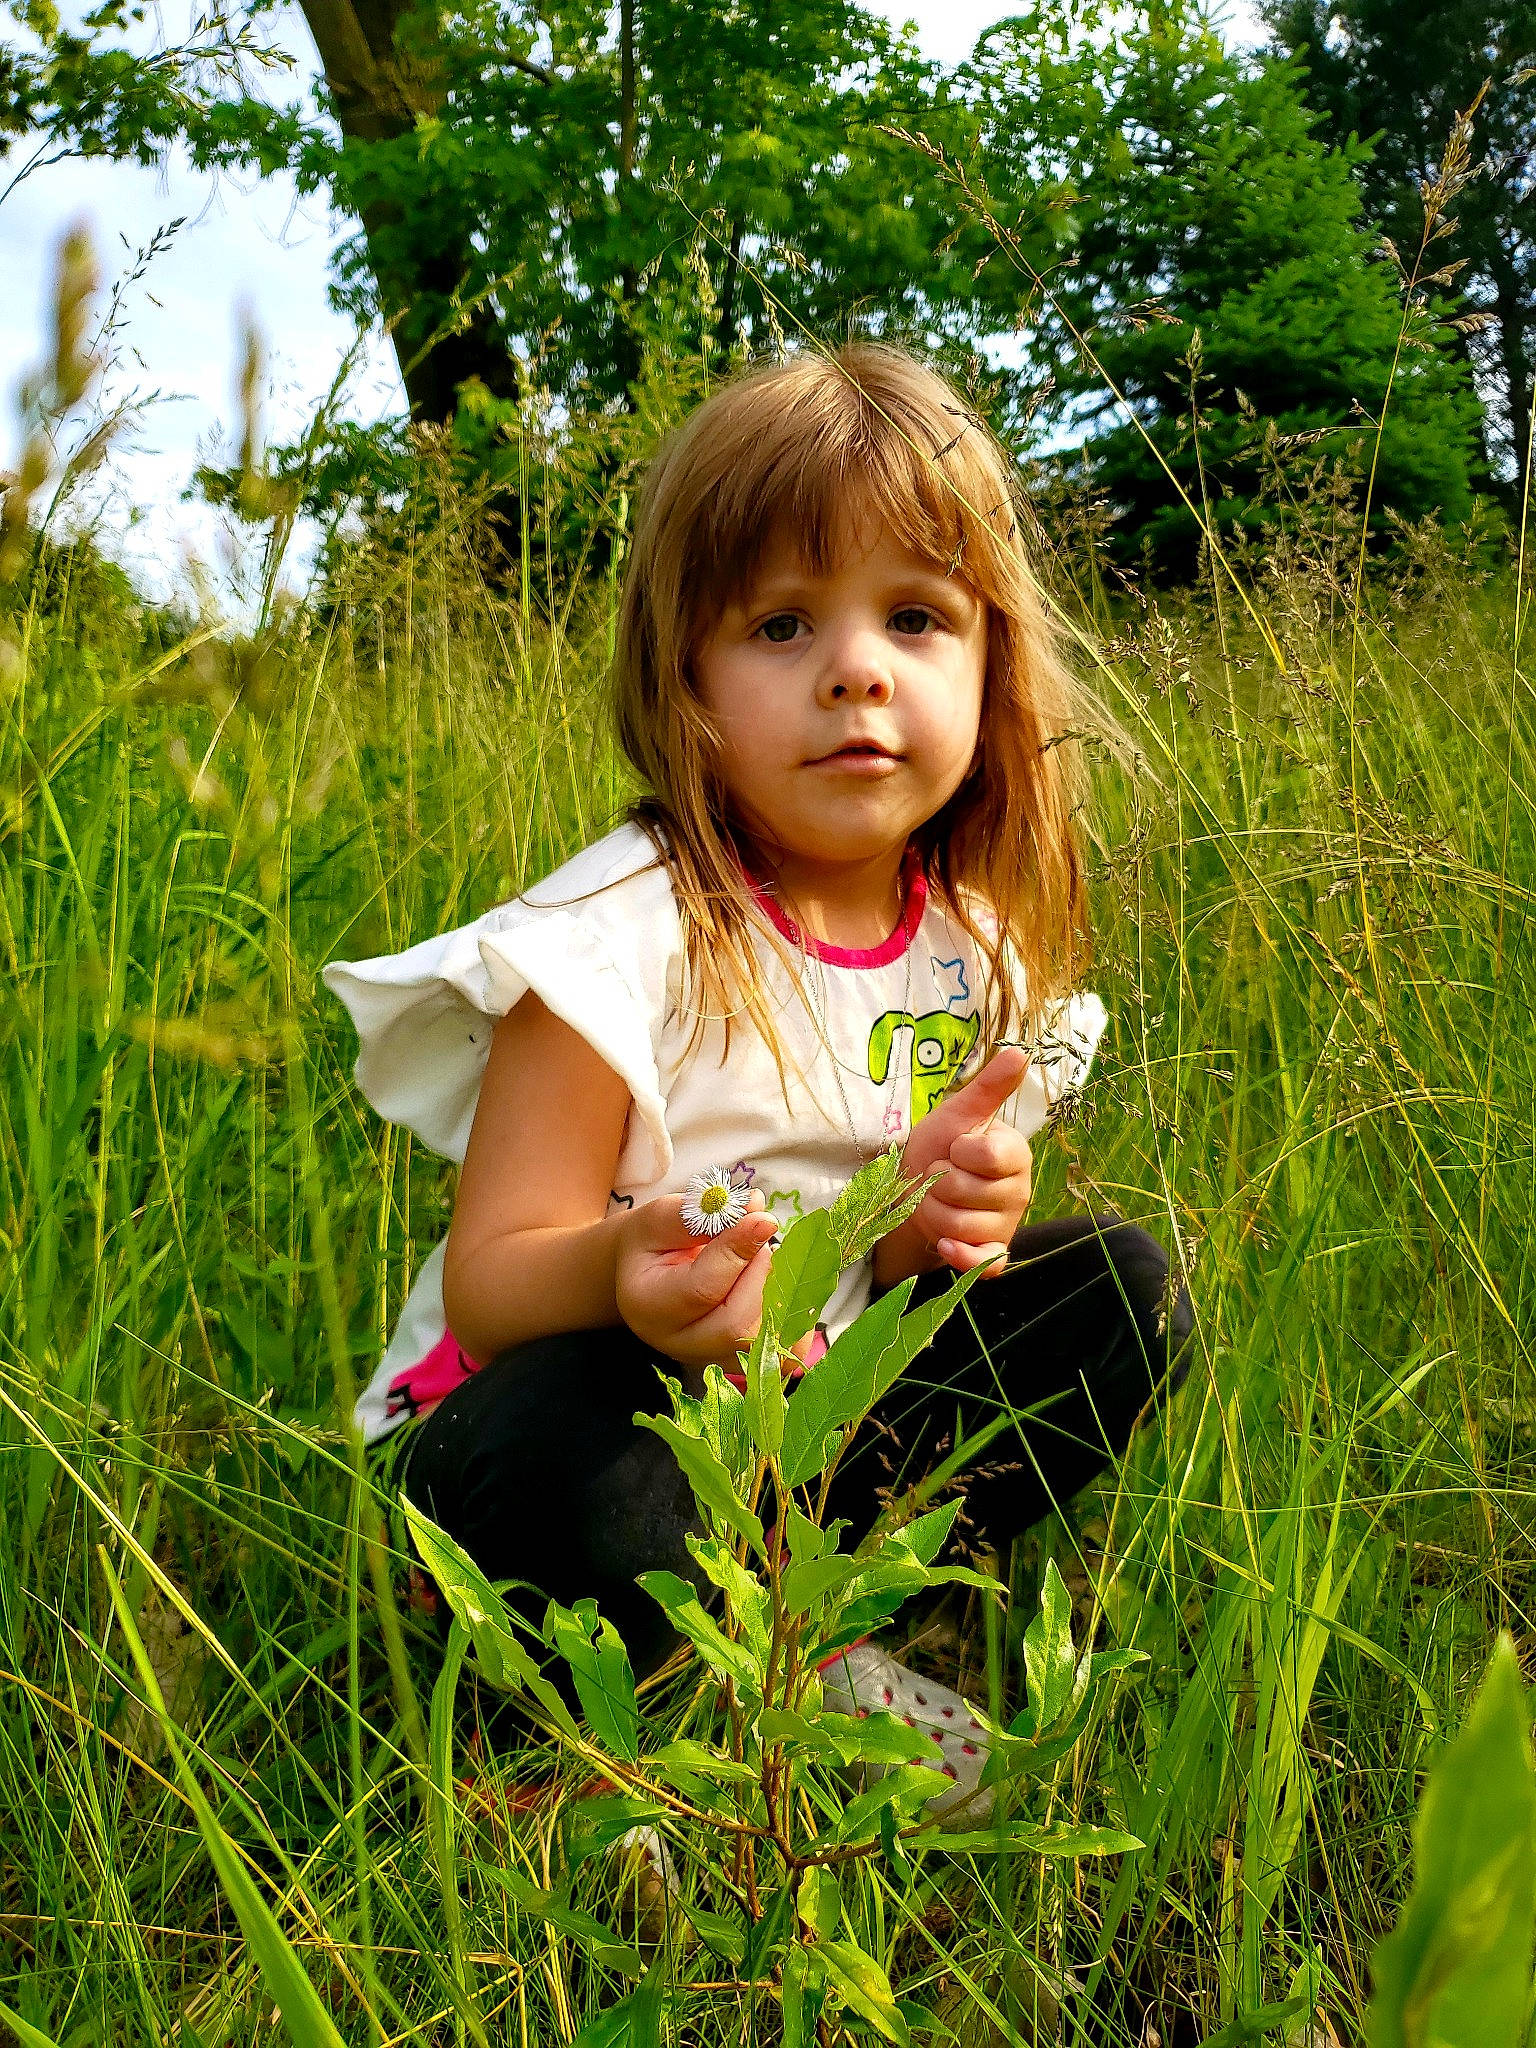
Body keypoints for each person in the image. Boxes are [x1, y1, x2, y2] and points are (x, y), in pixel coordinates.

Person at [324, 341, 1193, 1826]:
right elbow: (491, 1284)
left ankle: (819, 1613)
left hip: (795, 1425)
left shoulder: (971, 948)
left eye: (915, 618)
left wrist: (941, 1223)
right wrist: (627, 1270)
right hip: (567, 1419)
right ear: (686, 677)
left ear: (991, 664)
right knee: (586, 1449)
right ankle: (596, 1742)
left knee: (1122, 1290)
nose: (857, 670)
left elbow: (894, 1267)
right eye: (784, 625)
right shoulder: (615, 937)